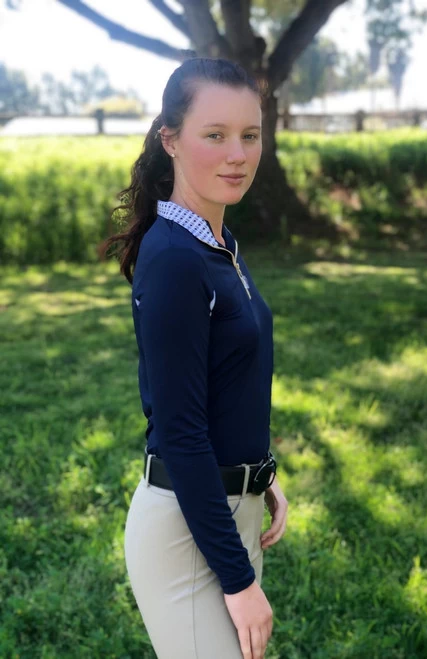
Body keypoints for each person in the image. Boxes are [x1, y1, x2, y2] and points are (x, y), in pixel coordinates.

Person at [99, 57, 288, 659]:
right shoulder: (177, 258)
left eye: (250, 135)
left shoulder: (217, 243)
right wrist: (239, 583)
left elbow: (226, 385)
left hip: (228, 511)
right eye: (215, 135)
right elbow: (180, 432)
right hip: (188, 532)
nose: (238, 154)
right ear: (171, 140)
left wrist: (260, 476)